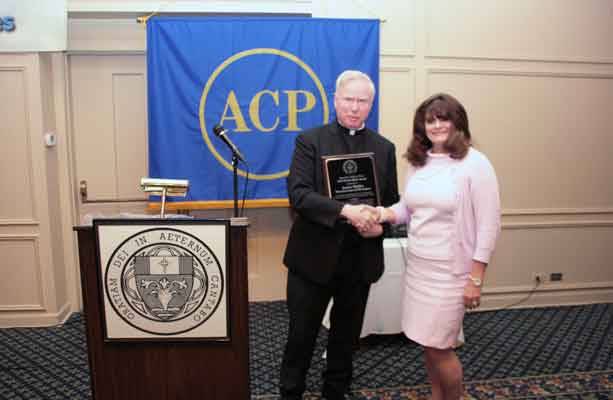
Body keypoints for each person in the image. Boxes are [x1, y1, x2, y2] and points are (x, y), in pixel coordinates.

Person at [279, 70, 399, 400]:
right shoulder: (310, 141)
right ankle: (290, 394)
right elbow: (299, 195)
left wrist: (380, 225)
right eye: (349, 99)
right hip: (312, 261)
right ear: (335, 100)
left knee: (345, 340)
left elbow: (392, 203)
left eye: (363, 101)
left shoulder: (384, 148)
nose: (355, 107)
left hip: (359, 261)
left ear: (371, 105)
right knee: (300, 337)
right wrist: (346, 211)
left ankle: (336, 392)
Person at [374, 93, 501, 400]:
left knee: (440, 345)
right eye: (430, 120)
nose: (437, 125)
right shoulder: (420, 161)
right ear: (422, 126)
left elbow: (489, 225)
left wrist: (475, 278)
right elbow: (407, 207)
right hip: (419, 269)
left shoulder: (475, 163)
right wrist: (381, 213)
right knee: (427, 342)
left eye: (444, 118)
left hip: (451, 273)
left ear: (458, 123)